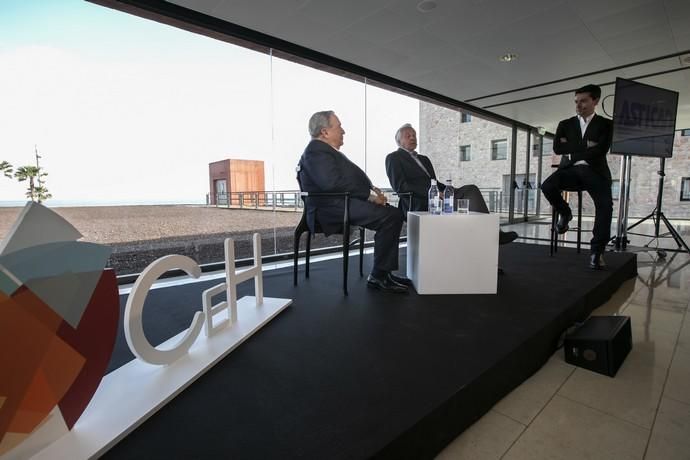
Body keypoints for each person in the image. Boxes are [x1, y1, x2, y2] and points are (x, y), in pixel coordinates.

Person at [298, 110, 410, 293]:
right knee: (390, 217)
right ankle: (378, 276)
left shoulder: (323, 151)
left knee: (392, 214)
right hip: (332, 208)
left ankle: (384, 273)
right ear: (324, 132)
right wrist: (369, 196)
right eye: (339, 126)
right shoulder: (315, 151)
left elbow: (340, 181)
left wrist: (371, 193)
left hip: (340, 203)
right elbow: (331, 183)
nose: (343, 131)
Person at [385, 124, 518, 245]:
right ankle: (491, 236)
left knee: (471, 189)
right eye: (408, 136)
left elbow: (434, 182)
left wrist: (449, 189)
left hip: (439, 197)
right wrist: (434, 193)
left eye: (414, 135)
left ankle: (492, 235)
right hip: (417, 201)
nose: (413, 137)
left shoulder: (424, 159)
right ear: (399, 141)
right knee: (468, 204)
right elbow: (400, 186)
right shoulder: (394, 158)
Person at [541, 84, 613, 269]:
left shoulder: (606, 124)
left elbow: (601, 149)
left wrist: (573, 148)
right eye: (576, 101)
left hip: (596, 172)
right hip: (570, 171)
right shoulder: (565, 124)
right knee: (547, 186)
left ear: (595, 101)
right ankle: (565, 213)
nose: (578, 105)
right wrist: (586, 145)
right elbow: (558, 148)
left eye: (583, 101)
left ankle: (597, 252)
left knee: (605, 207)